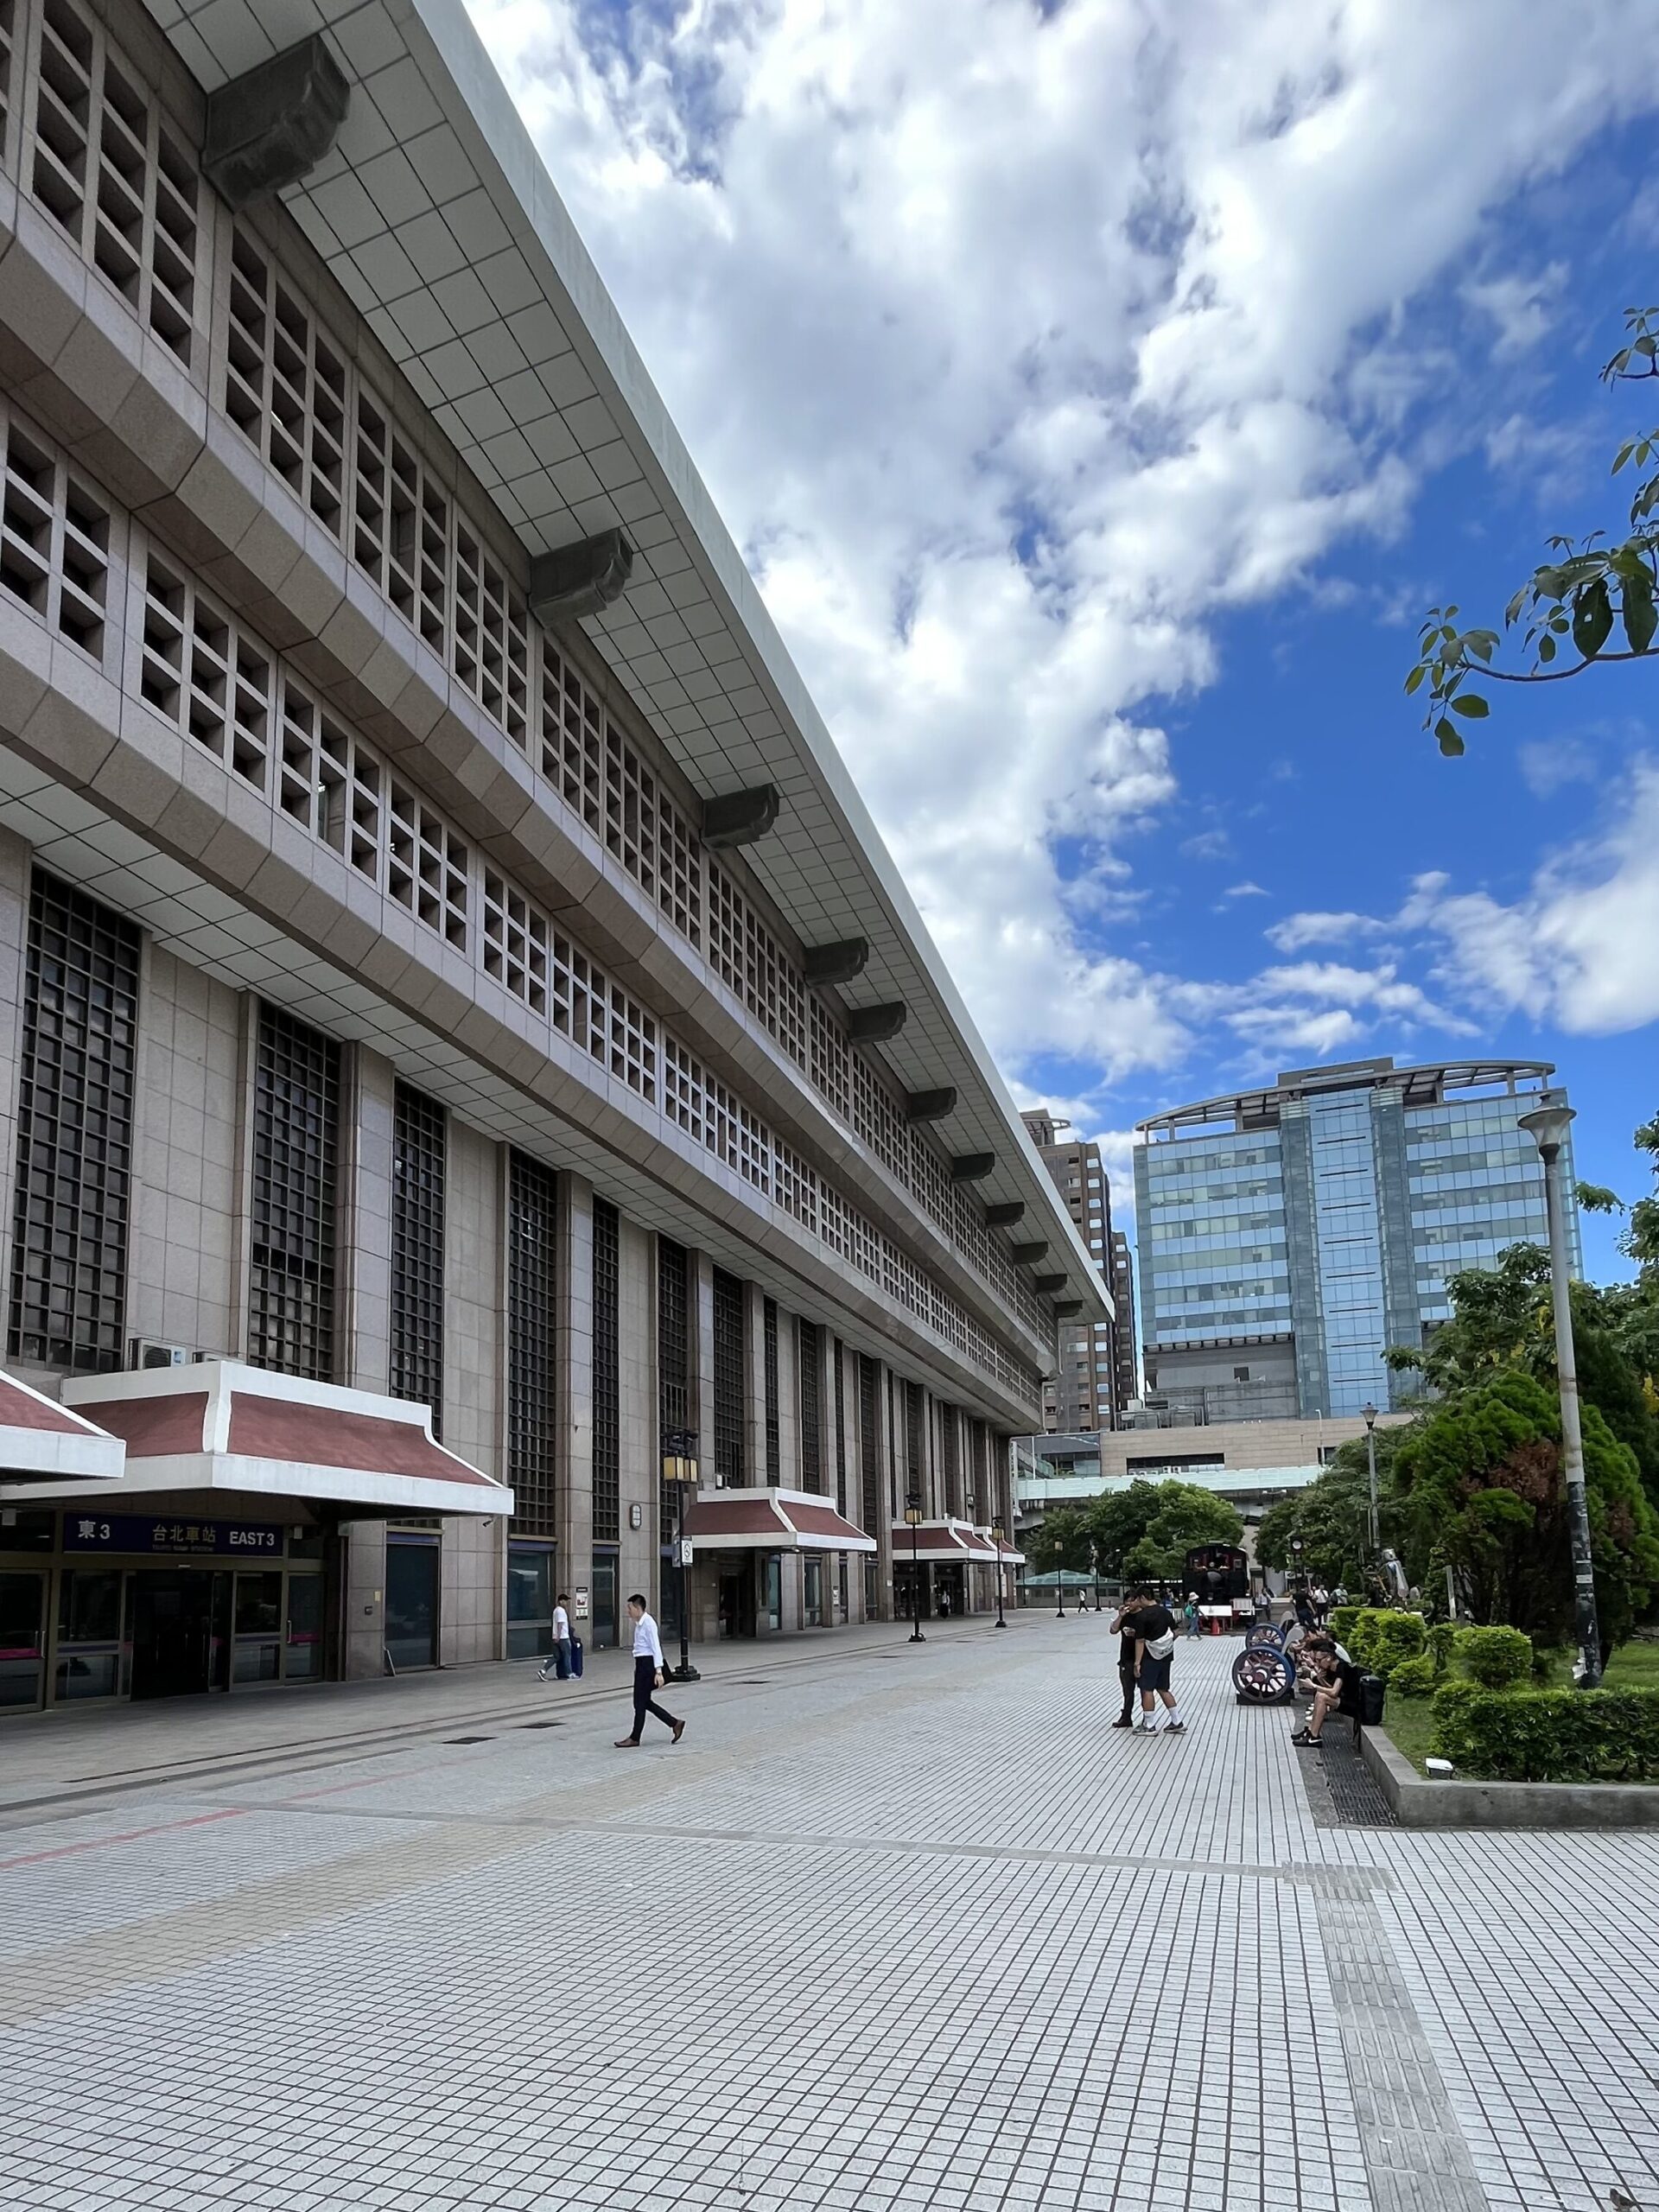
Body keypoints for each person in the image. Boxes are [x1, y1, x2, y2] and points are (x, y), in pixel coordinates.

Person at [614, 1593, 685, 1748]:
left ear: (638, 1608)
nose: (628, 1611)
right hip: (641, 1665)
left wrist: (658, 1671)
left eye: (630, 1608)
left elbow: (656, 1648)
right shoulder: (640, 1624)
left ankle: (635, 1737)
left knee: (640, 1703)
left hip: (648, 1666)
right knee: (642, 1702)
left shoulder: (648, 1623)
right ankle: (674, 1723)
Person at [1131, 1588, 1185, 1736]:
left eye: (1136, 1599)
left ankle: (1149, 1725)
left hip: (1149, 1658)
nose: (1135, 1602)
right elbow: (1176, 1631)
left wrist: (1137, 1663)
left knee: (1146, 1689)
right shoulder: (1165, 1612)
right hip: (1166, 1656)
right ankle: (1176, 1721)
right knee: (1163, 1688)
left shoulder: (1142, 1616)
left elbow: (1140, 1641)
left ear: (1142, 1598)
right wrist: (1165, 1643)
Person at [1291, 1641, 1362, 1750]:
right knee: (1320, 1694)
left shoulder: (1341, 1667)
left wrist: (1314, 1686)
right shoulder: (1330, 1668)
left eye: (1319, 1660)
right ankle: (1310, 1731)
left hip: (1354, 1705)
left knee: (1321, 1696)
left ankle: (1314, 1736)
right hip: (1342, 1700)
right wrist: (1320, 1678)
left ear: (1329, 1658)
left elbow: (1334, 1692)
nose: (1318, 1664)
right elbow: (1330, 1689)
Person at [1107, 1592, 1144, 1728]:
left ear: (1139, 1601)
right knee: (1128, 1691)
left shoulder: (1144, 1616)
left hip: (1143, 1659)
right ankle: (1126, 1716)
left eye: (1132, 1601)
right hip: (1126, 1659)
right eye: (1127, 1601)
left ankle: (1148, 1717)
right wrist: (1120, 1616)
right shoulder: (1125, 1617)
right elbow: (1113, 1630)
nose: (1129, 1604)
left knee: (1145, 1690)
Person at [551, 1592, 573, 1680]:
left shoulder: (556, 1610)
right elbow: (560, 1625)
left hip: (556, 1636)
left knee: (557, 1656)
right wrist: (559, 1636)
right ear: (560, 1601)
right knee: (567, 1655)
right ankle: (569, 1673)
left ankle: (543, 1670)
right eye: (565, 1601)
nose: (566, 1603)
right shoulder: (561, 1611)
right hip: (563, 1637)